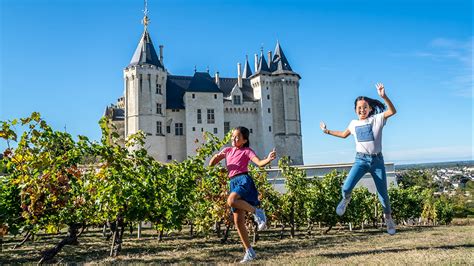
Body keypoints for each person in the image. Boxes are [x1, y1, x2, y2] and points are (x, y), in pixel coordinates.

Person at [320, 82, 397, 235]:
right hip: (360, 160)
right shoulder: (353, 123)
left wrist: (384, 96)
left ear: (370, 109)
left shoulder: (377, 119)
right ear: (355, 110)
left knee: (383, 194)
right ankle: (346, 199)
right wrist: (326, 131)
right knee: (346, 187)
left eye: (365, 107)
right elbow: (343, 134)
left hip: (377, 161)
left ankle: (388, 218)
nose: (362, 110)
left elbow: (393, 111)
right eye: (359, 108)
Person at [209, 126, 276, 262]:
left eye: (237, 137)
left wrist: (268, 159)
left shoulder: (247, 151)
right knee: (238, 222)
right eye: (233, 136)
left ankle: (257, 212)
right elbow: (211, 164)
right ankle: (249, 251)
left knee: (231, 200)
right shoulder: (227, 150)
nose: (234, 138)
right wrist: (216, 157)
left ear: (244, 140)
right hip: (232, 182)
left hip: (243, 181)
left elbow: (259, 163)